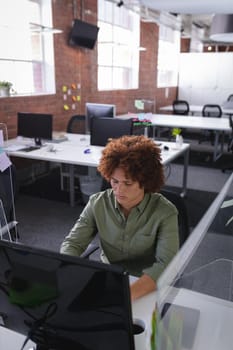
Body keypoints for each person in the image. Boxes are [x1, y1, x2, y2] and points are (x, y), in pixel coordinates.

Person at [60, 135, 179, 300]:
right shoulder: (97, 203)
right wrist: (67, 271)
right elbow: (73, 243)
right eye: (114, 181)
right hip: (108, 279)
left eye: (128, 183)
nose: (118, 190)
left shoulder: (165, 212)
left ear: (145, 181)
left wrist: (122, 298)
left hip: (147, 285)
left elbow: (166, 264)